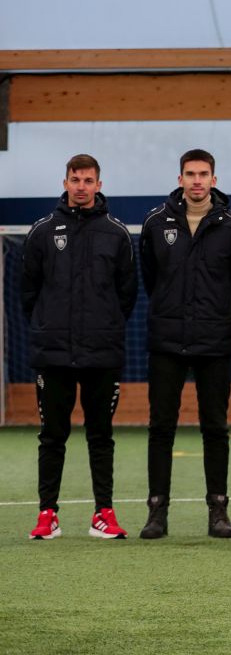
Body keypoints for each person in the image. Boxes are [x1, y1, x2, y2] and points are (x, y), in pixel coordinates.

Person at [23, 154, 137, 540]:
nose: (82, 187)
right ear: (65, 183)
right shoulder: (42, 231)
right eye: (76, 180)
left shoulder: (116, 234)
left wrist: (103, 326)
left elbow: (126, 294)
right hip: (53, 353)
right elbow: (28, 292)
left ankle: (103, 513)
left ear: (99, 185)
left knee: (100, 436)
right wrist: (48, 325)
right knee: (52, 436)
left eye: (88, 180)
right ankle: (47, 514)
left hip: (101, 353)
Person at [139, 149, 231, 539]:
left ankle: (218, 511)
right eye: (190, 174)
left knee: (215, 427)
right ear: (180, 179)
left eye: (203, 174)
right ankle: (157, 512)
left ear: (213, 180)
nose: (197, 181)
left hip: (214, 340)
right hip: (166, 341)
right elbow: (151, 278)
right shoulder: (155, 222)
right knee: (160, 427)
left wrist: (214, 312)